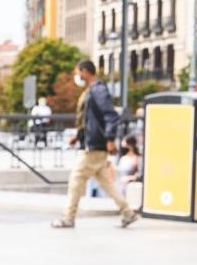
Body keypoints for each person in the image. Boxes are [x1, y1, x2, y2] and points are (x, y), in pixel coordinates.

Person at [52, 60, 138, 228]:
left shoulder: (98, 90)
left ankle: (68, 217)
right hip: (94, 143)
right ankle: (128, 212)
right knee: (106, 183)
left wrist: (110, 139)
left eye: (77, 72)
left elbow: (110, 116)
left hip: (94, 145)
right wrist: (78, 136)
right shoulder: (93, 90)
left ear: (85, 72)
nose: (77, 76)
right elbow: (89, 119)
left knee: (76, 179)